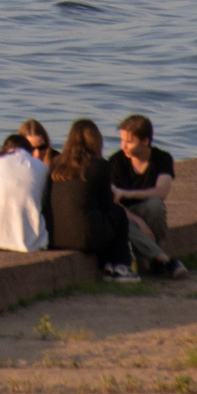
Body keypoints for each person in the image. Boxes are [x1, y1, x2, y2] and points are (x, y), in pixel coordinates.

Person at [47, 119, 136, 279]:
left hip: (54, 238)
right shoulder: (99, 166)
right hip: (85, 239)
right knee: (118, 214)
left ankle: (109, 263)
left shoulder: (55, 164)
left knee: (95, 219)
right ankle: (121, 266)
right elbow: (107, 205)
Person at [110, 113, 186, 279]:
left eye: (129, 142)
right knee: (122, 223)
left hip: (146, 211)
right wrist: (138, 221)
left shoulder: (161, 158)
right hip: (125, 214)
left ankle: (154, 258)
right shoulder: (116, 161)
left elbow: (162, 192)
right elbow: (113, 201)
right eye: (122, 140)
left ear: (145, 141)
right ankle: (164, 260)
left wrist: (127, 194)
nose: (124, 146)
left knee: (155, 205)